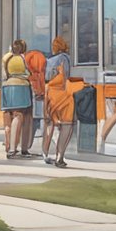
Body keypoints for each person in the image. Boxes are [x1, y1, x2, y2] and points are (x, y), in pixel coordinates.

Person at [43, 36, 75, 167]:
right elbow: (67, 76)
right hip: (65, 95)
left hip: (51, 95)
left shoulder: (50, 61)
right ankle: (59, 156)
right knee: (67, 126)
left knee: (49, 124)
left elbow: (46, 78)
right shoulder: (67, 59)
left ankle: (45, 153)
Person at [1, 39, 34, 159]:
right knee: (20, 116)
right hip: (21, 87)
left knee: (8, 117)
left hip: (7, 86)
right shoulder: (24, 58)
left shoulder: (6, 58)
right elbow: (29, 73)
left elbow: (4, 74)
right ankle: (19, 149)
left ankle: (9, 146)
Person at [24, 45, 48, 150]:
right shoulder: (42, 75)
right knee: (43, 121)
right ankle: (44, 148)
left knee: (31, 122)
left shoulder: (28, 76)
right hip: (41, 99)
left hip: (29, 100)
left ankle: (27, 145)